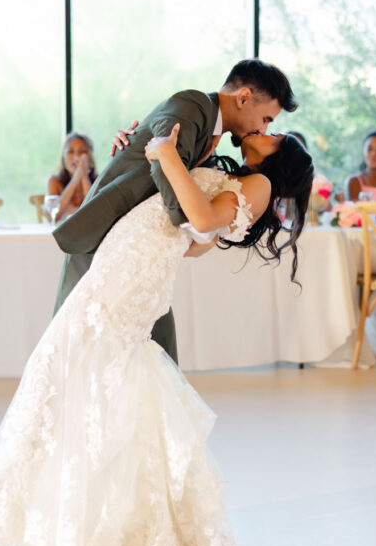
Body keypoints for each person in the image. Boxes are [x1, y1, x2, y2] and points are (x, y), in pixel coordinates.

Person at [0, 129, 314, 546]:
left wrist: (166, 155)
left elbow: (203, 220)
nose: (266, 129)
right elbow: (198, 234)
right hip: (129, 258)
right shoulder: (237, 175)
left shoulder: (263, 184)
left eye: (274, 133)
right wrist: (151, 161)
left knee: (58, 366)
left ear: (282, 159)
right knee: (106, 381)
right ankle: (112, 524)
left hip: (134, 269)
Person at [52, 59, 297, 363]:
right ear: (244, 97)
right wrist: (193, 225)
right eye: (266, 118)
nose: (263, 128)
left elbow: (183, 182)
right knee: (82, 350)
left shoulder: (212, 144)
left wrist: (199, 231)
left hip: (141, 252)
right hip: (104, 237)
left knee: (151, 357)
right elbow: (162, 164)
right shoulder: (192, 105)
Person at [46, 132, 98, 223]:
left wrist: (84, 177)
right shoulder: (54, 181)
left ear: (90, 157)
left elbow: (95, 214)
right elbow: (53, 218)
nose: (76, 157)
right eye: (70, 152)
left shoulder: (97, 179)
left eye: (82, 152)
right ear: (63, 156)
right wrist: (75, 179)